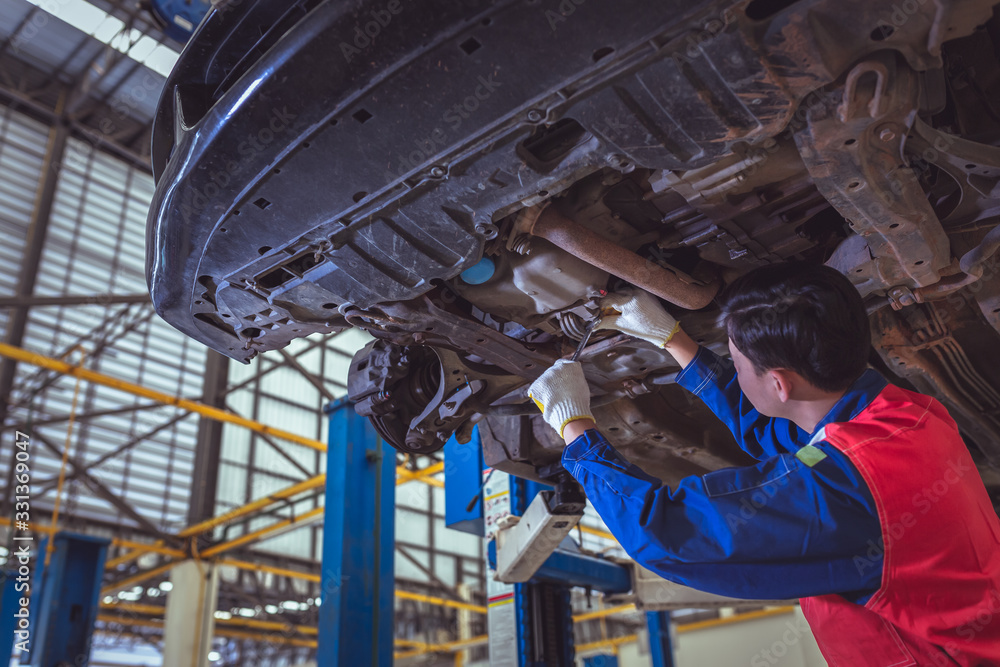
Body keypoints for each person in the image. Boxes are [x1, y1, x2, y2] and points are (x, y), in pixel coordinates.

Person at [528, 263, 1000, 666]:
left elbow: (668, 535)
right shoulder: (906, 414)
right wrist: (672, 341)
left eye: (736, 365)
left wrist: (575, 427)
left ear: (780, 383)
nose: (735, 371)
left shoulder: (845, 492)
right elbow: (783, 435)